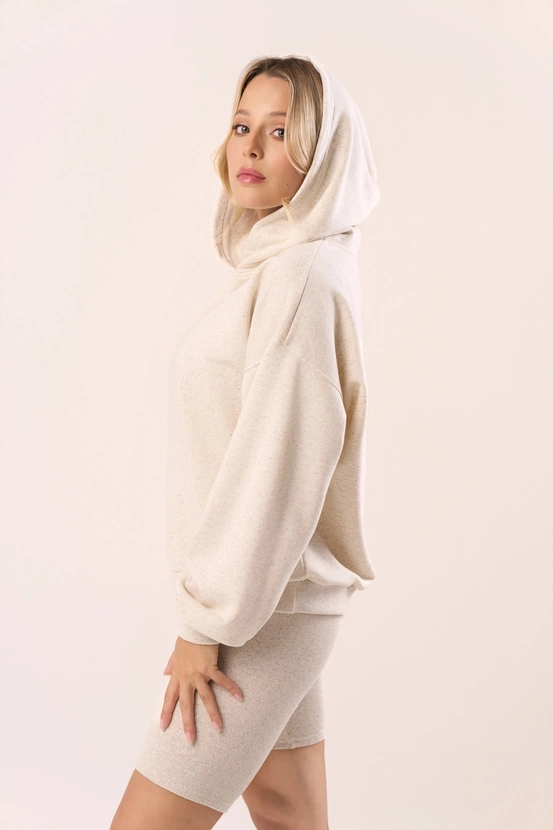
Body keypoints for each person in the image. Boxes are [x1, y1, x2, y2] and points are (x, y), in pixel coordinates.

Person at [109, 52, 380, 830]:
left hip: (258, 613)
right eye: (240, 125)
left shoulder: (301, 280)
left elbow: (276, 466)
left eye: (280, 130)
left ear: (324, 151)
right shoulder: (285, 268)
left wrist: (205, 626)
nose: (250, 147)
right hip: (275, 600)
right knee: (288, 811)